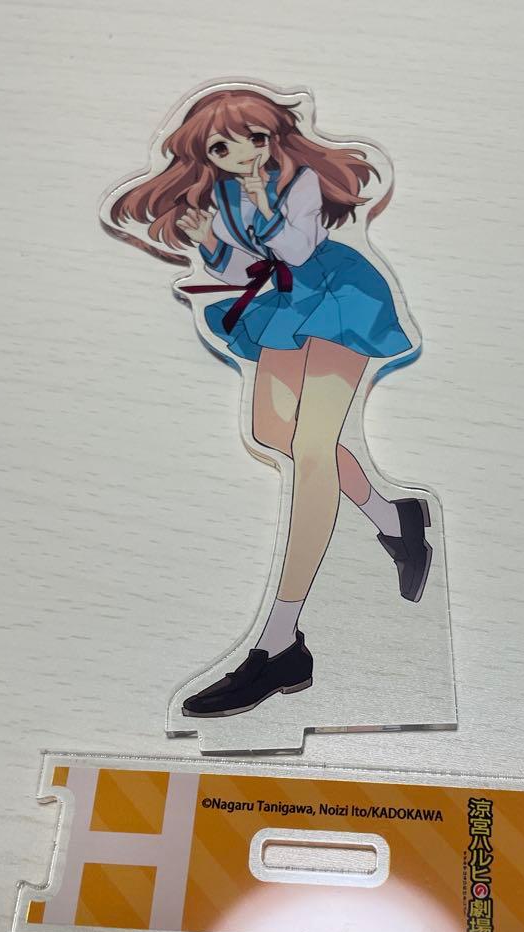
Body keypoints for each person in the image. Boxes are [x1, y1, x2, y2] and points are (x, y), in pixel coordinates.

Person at [108, 87, 431, 718]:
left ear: (274, 137)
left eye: (255, 138)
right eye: (222, 148)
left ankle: (280, 642)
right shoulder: (228, 197)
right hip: (286, 305)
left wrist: (262, 203)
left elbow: (299, 250)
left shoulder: (298, 182)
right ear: (207, 156)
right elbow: (243, 270)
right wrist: (211, 242)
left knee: (311, 451)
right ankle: (394, 520)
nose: (243, 154)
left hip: (340, 297)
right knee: (272, 432)